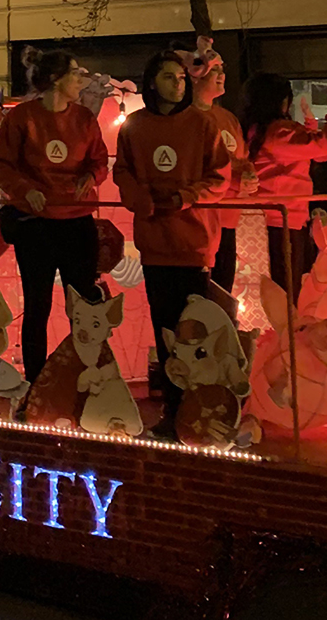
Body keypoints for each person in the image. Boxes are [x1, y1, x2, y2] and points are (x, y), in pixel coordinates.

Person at [115, 50, 230, 439]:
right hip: (154, 242)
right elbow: (123, 171)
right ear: (152, 82)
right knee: (165, 332)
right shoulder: (133, 125)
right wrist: (142, 200)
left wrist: (187, 197)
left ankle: (198, 413)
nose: (178, 83)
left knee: (194, 333)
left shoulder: (203, 124)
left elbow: (219, 177)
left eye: (181, 77)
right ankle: (173, 411)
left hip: (193, 241)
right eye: (169, 77)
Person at [0, 47, 108, 383]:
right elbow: (2, 165)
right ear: (57, 80)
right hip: (36, 225)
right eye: (76, 75)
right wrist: (26, 189)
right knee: (37, 305)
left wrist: (92, 176)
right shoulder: (21, 117)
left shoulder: (84, 118)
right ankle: (35, 382)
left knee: (83, 307)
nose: (81, 82)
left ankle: (84, 378)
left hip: (77, 222)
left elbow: (99, 161)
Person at [242, 74, 327, 294]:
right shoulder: (278, 132)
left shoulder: (263, 130)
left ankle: (285, 326)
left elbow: (322, 151)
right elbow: (322, 147)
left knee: (286, 288)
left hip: (282, 217)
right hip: (281, 219)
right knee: (285, 291)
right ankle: (285, 328)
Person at [183, 37, 256, 292]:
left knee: (223, 290)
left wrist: (248, 176)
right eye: (214, 69)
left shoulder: (227, 119)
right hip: (199, 221)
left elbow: (242, 160)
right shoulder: (185, 120)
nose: (221, 75)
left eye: (222, 69)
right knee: (200, 295)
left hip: (228, 218)